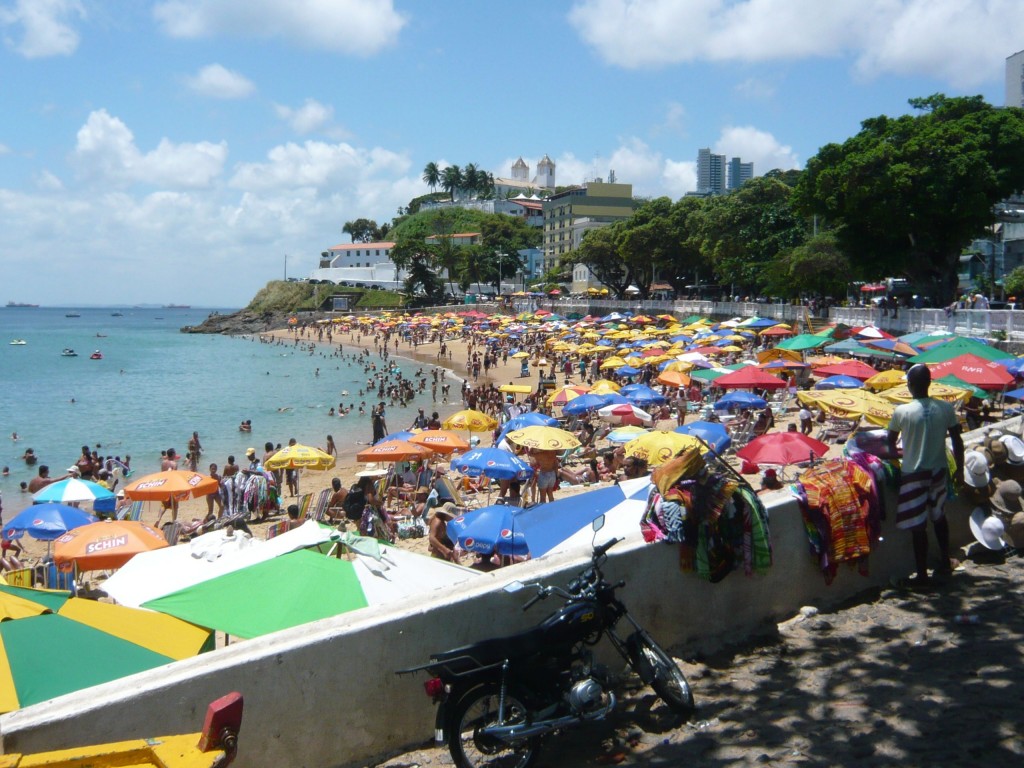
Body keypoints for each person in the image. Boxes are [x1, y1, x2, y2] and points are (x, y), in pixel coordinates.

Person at [887, 364, 965, 588]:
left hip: (914, 473)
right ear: (929, 384)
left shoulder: (902, 411)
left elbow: (890, 443)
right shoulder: (946, 408)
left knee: (918, 526)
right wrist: (959, 469)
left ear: (910, 385)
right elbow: (958, 442)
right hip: (939, 470)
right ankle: (944, 561)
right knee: (939, 516)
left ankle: (922, 576)